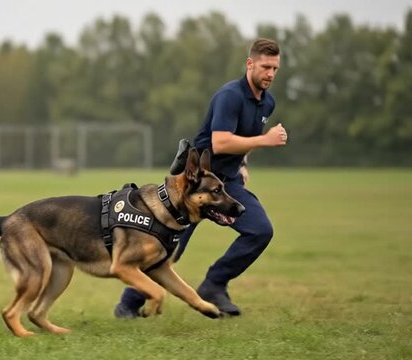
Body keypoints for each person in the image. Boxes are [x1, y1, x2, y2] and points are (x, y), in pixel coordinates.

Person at [114, 38, 287, 318]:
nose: (270, 74)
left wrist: (243, 163)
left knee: (260, 230)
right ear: (250, 64)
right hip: (195, 185)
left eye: (275, 68)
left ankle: (215, 284)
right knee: (169, 249)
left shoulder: (267, 102)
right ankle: (128, 305)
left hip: (228, 183)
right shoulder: (229, 96)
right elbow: (220, 142)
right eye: (265, 67)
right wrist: (266, 140)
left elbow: (243, 136)